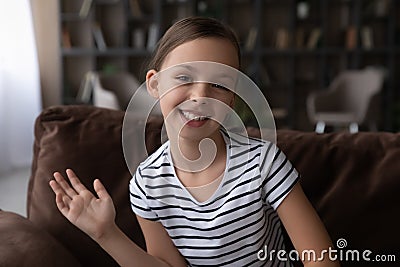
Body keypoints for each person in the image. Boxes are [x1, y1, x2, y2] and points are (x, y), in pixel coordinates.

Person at [49, 17, 339, 267]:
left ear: (232, 98)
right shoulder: (147, 183)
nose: (200, 96)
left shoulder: (263, 163)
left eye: (219, 84)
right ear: (155, 84)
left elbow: (321, 257)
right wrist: (105, 233)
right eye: (184, 77)